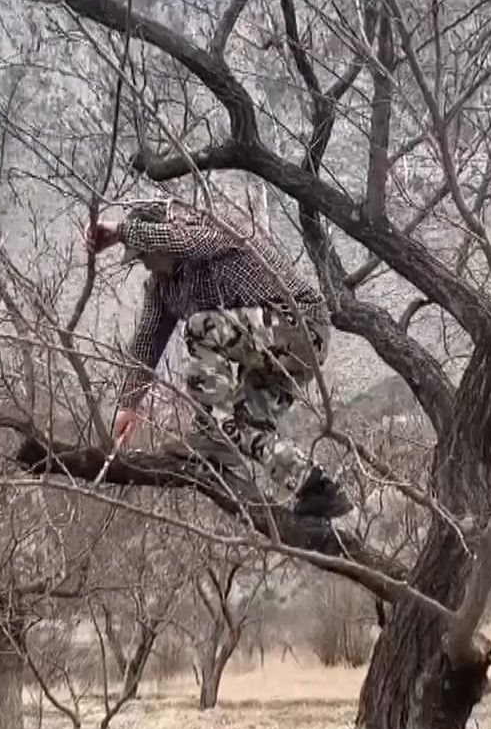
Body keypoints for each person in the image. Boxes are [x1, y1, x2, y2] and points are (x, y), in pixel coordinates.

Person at [83, 198, 350, 523]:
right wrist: (128, 404)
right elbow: (147, 342)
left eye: (145, 254)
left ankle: (210, 436)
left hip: (300, 327)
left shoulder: (213, 232)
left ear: (161, 239)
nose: (147, 265)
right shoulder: (161, 287)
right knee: (242, 429)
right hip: (270, 351)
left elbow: (185, 241)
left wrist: (122, 231)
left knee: (201, 328)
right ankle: (316, 488)